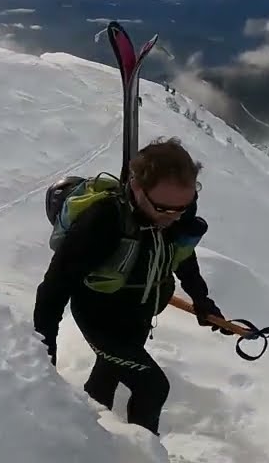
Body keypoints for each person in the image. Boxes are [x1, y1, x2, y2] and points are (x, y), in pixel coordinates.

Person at [33, 137, 230, 436]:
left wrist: (202, 300)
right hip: (100, 321)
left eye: (183, 208)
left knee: (107, 378)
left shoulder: (174, 211)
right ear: (137, 187)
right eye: (165, 209)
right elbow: (54, 289)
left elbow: (182, 257)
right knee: (153, 387)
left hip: (138, 317)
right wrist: (43, 356)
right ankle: (144, 454)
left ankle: (88, 439)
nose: (174, 218)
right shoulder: (103, 222)